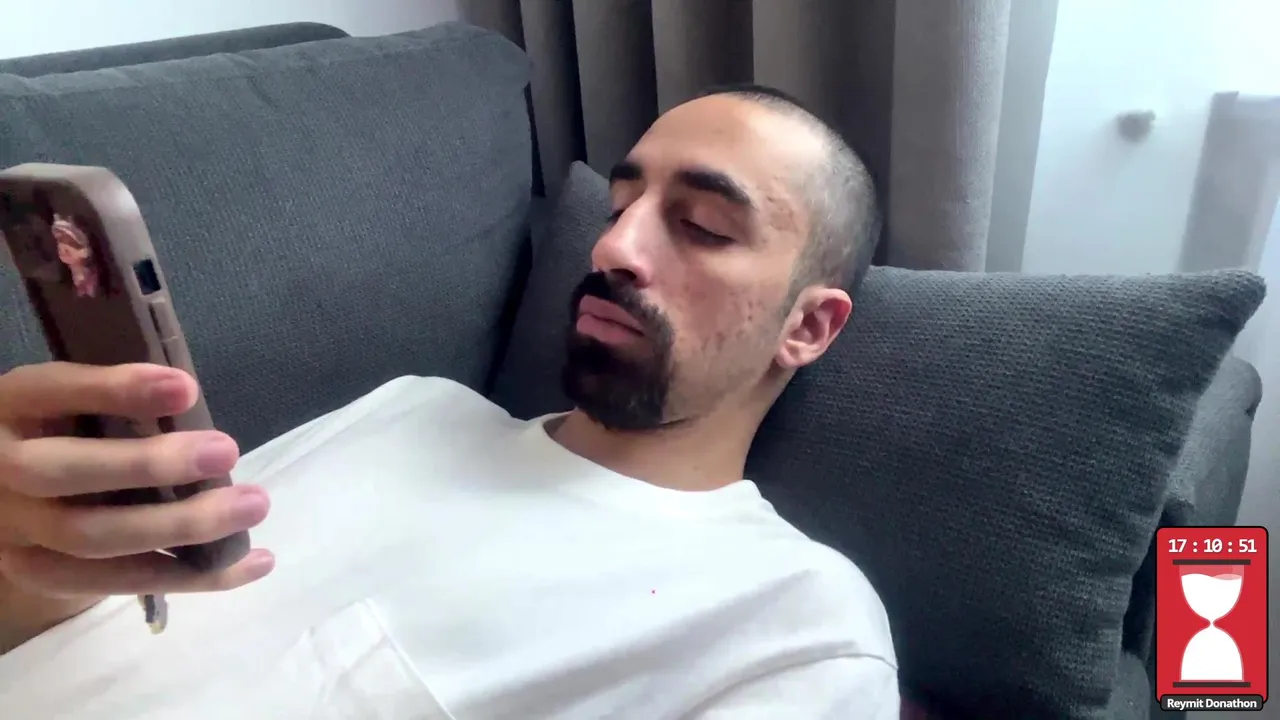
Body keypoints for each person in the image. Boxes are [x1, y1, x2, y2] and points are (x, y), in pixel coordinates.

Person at [0, 84, 897, 719]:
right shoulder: (414, 410)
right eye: (618, 206)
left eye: (700, 226)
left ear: (808, 327)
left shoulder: (798, 621)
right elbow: (116, 620)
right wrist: (26, 558)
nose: (612, 247)